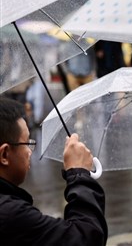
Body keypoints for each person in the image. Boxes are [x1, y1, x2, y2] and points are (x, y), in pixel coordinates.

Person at [0, 97, 108, 246]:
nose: (30, 152)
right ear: (4, 154)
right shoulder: (11, 215)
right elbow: (86, 238)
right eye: (27, 143)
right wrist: (79, 174)